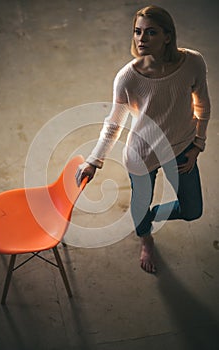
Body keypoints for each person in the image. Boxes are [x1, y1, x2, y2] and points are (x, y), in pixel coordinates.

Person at [75, 5, 211, 273]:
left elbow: (203, 106)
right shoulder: (127, 78)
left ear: (168, 36)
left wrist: (198, 144)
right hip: (142, 155)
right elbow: (114, 124)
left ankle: (143, 219)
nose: (141, 38)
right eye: (137, 32)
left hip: (182, 148)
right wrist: (94, 160)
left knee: (192, 209)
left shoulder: (193, 62)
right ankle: (146, 239)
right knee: (140, 207)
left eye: (151, 32)